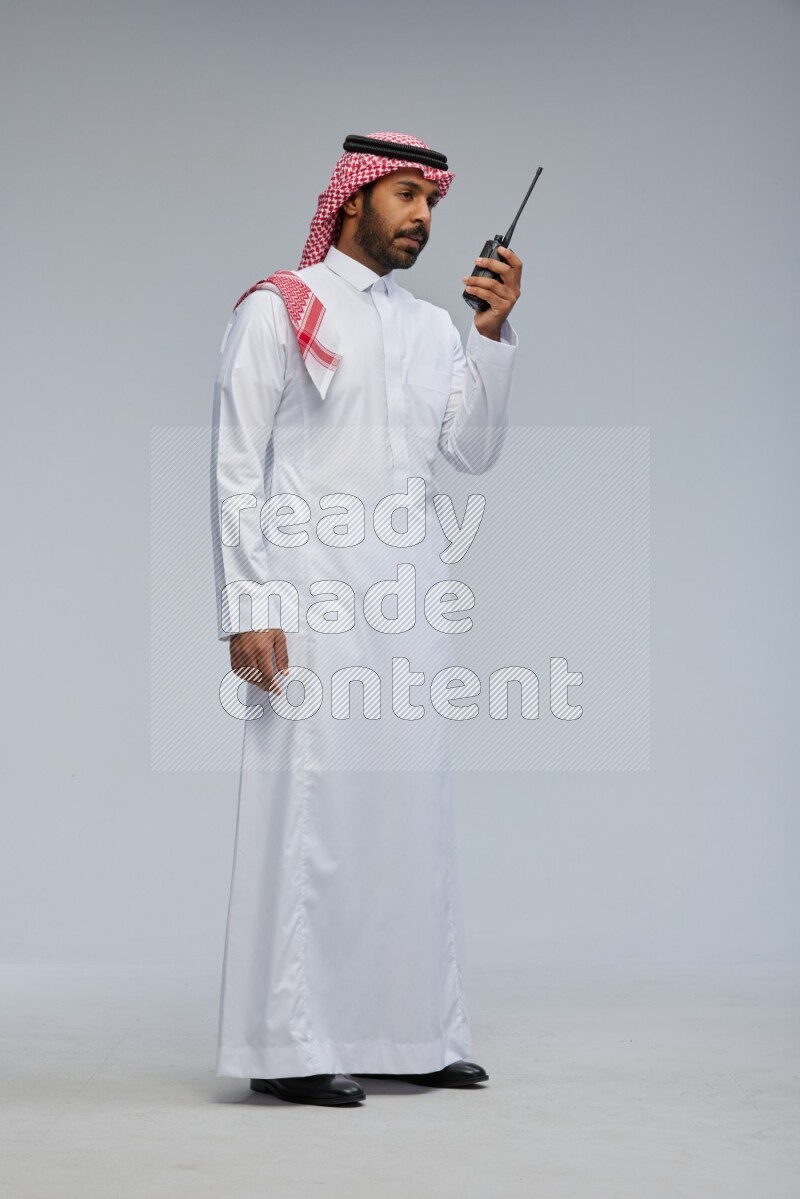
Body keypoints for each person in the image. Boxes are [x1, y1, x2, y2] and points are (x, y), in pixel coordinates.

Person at [209, 131, 522, 1107]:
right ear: (351, 202)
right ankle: (288, 1043)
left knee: (406, 818)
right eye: (403, 196)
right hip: (308, 604)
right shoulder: (280, 308)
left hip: (408, 607)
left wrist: (489, 333)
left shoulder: (432, 327)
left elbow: (470, 452)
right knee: (312, 817)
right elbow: (234, 465)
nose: (422, 217)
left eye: (431, 202)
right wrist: (248, 606)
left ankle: (416, 1029)